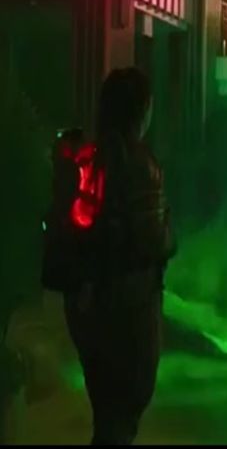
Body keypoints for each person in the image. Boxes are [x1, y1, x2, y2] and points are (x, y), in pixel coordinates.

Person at [61, 67, 174, 445]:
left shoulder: (89, 159)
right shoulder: (141, 165)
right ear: (141, 110)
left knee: (106, 416)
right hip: (129, 310)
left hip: (85, 305)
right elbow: (155, 241)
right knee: (121, 421)